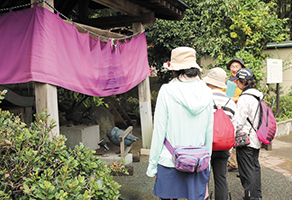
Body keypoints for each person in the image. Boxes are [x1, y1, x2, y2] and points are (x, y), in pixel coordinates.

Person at [146, 47, 213, 200]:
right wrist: (206, 164)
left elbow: (159, 131)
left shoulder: (167, 91)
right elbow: (209, 131)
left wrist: (152, 166)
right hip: (197, 162)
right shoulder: (207, 92)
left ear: (174, 70)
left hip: (169, 160)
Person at [203, 68, 237, 200]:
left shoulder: (204, 99)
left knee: (203, 179)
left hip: (206, 145)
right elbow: (235, 125)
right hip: (223, 147)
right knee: (221, 178)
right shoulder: (230, 102)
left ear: (209, 83)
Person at [234, 68, 263, 200]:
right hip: (256, 138)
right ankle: (257, 195)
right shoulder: (258, 96)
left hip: (245, 139)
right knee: (255, 167)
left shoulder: (244, 98)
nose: (237, 84)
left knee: (247, 171)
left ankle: (251, 197)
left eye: (239, 81)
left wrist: (231, 132)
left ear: (244, 81)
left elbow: (239, 122)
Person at [224, 58, 245, 173]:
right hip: (227, 110)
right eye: (232, 67)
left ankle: (239, 163)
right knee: (230, 135)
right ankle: (233, 163)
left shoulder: (243, 80)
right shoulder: (227, 80)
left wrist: (235, 99)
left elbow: (246, 96)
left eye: (237, 67)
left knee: (239, 136)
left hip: (239, 110)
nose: (234, 69)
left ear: (241, 68)